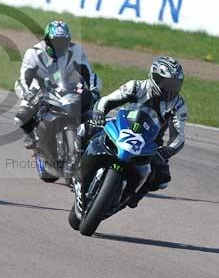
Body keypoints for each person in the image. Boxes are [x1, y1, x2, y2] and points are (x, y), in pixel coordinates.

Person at [78, 55, 187, 208]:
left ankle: (132, 196)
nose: (170, 89)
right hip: (121, 126)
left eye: (175, 85)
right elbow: (107, 100)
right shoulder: (136, 86)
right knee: (85, 129)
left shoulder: (178, 104)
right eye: (166, 83)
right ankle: (76, 163)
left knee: (162, 176)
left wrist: (167, 150)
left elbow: (179, 135)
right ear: (154, 77)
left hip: (150, 142)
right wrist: (99, 113)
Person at [14, 20, 101, 149]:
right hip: (38, 86)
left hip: (66, 85)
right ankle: (29, 133)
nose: (59, 45)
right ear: (47, 41)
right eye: (55, 41)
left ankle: (87, 138)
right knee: (21, 115)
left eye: (63, 41)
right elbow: (24, 78)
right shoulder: (33, 53)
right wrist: (27, 93)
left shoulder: (76, 51)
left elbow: (89, 73)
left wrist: (94, 90)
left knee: (91, 110)